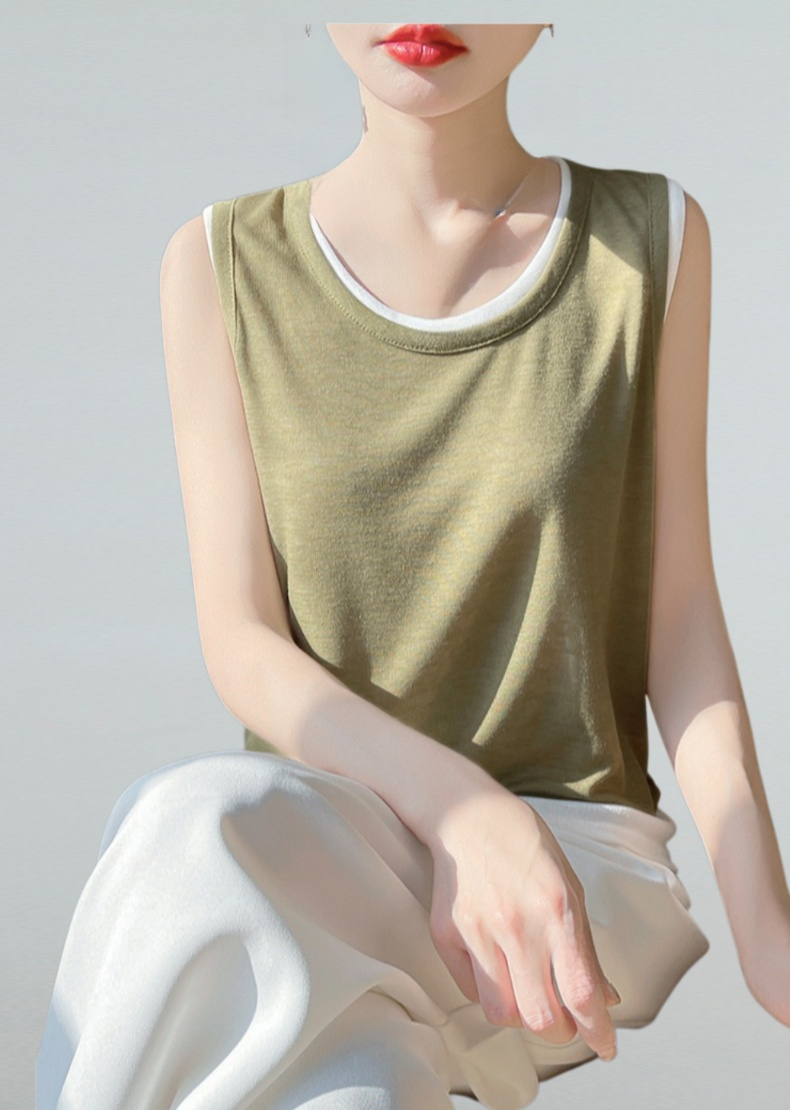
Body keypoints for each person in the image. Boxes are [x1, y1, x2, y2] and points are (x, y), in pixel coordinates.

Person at [36, 21, 790, 1110]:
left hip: (571, 865)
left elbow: (678, 621)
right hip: (311, 858)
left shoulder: (648, 238)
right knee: (354, 1082)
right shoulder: (218, 263)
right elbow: (241, 640)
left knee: (187, 832)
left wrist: (767, 927)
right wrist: (460, 810)